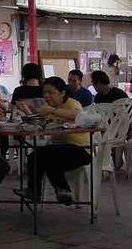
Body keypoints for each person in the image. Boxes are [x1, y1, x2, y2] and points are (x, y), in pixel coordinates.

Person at [20, 76, 90, 205]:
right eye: (44, 93)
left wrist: (53, 111)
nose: (46, 96)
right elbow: (40, 124)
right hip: (58, 150)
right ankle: (58, 191)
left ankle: (36, 191)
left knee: (41, 155)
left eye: (50, 93)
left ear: (62, 93)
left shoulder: (71, 103)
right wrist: (26, 110)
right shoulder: (49, 108)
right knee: (38, 157)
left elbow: (77, 116)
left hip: (80, 150)